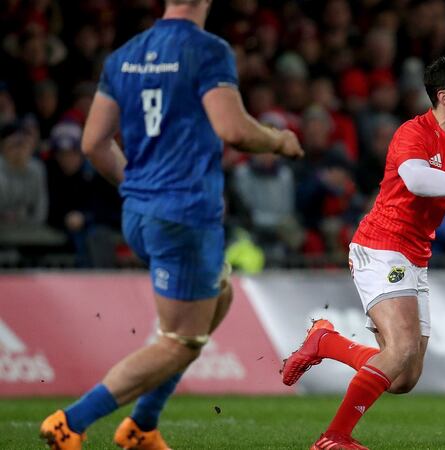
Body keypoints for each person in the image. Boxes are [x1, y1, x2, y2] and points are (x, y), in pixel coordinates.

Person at [39, 1, 303, 449]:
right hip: (185, 216)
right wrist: (279, 140)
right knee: (179, 341)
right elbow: (233, 128)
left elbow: (93, 142)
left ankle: (142, 425)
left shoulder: (124, 55)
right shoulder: (207, 50)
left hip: (141, 212)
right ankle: (71, 422)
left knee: (218, 296)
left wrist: (140, 188)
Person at [281, 52, 445, 450]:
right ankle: (333, 438)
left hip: (416, 257)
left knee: (404, 378)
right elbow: (417, 179)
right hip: (380, 245)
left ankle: (325, 341)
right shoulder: (412, 133)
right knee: (400, 349)